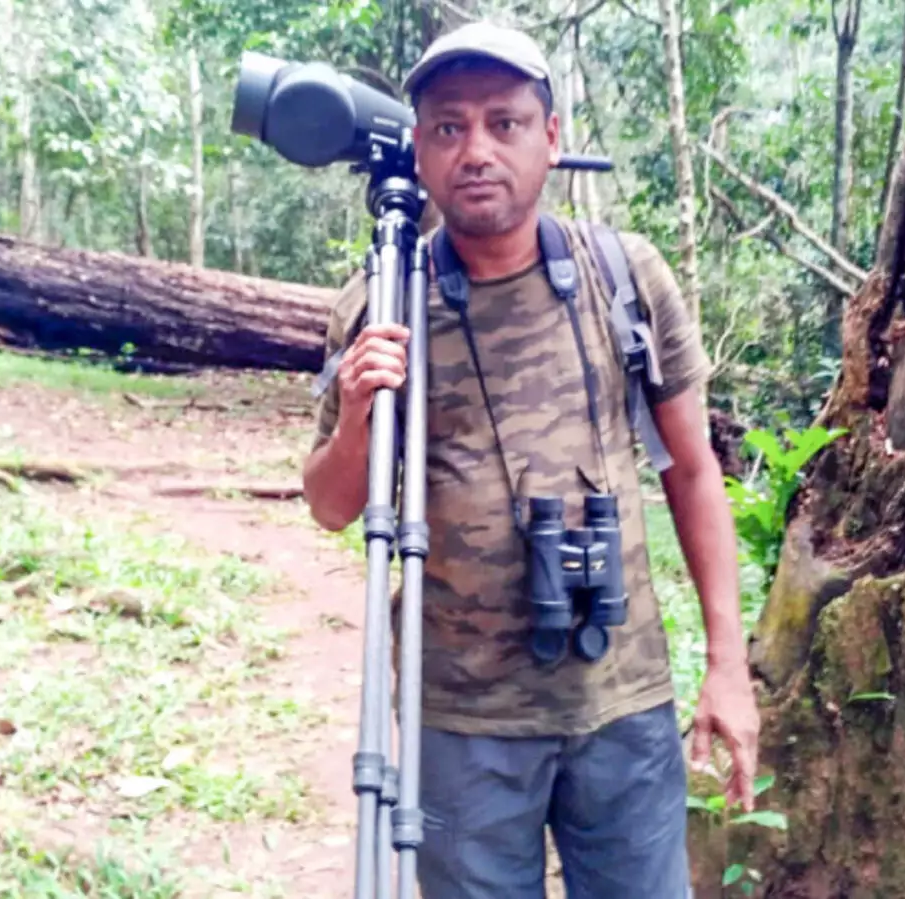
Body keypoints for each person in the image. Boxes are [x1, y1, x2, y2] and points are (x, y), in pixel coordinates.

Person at [302, 20, 759, 899]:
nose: (476, 149)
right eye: (449, 126)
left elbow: (693, 471)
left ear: (551, 138)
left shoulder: (625, 276)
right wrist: (360, 412)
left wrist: (727, 668)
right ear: (422, 150)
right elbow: (328, 502)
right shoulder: (383, 298)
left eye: (504, 123)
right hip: (460, 719)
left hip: (621, 702)